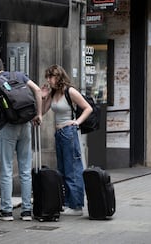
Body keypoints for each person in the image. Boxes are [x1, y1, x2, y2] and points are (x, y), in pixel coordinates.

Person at [0, 55, 42, 221]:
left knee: (6, 169)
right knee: (25, 168)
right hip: (26, 124)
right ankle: (27, 211)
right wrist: (38, 114)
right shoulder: (19, 76)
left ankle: (7, 211)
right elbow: (38, 90)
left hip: (7, 127)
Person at [41, 64, 92, 216]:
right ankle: (67, 202)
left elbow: (88, 108)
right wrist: (42, 97)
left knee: (73, 170)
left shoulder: (70, 91)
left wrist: (77, 122)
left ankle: (76, 206)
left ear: (58, 77)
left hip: (69, 133)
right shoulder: (53, 93)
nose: (49, 80)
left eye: (51, 77)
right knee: (62, 169)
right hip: (59, 134)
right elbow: (43, 111)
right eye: (48, 77)